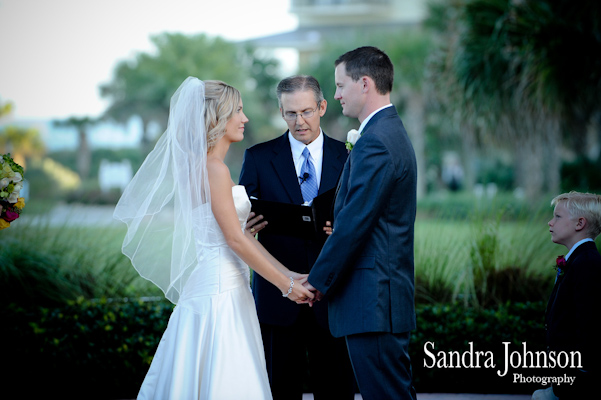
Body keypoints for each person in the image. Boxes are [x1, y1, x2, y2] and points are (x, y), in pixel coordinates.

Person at [114, 77, 314, 400]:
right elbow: (235, 240)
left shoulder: (204, 167)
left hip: (222, 284)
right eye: (238, 110)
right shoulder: (214, 170)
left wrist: (290, 274)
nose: (245, 118)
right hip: (220, 294)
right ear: (217, 117)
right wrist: (286, 286)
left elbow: (240, 236)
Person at [304, 46, 418, 400]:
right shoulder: (386, 134)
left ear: (364, 83)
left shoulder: (377, 143)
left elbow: (354, 224)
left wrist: (317, 281)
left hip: (373, 301)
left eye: (340, 85)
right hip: (379, 300)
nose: (335, 95)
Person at [239, 75, 355, 400]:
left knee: (337, 392)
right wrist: (247, 223)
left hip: (333, 297)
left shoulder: (349, 157)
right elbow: (240, 227)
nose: (299, 121)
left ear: (321, 107)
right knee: (279, 391)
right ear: (280, 111)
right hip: (279, 298)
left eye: (306, 111)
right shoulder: (258, 158)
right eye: (290, 113)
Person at [532, 191, 601, 400]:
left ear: (580, 223)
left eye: (557, 217)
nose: (550, 223)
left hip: (575, 384)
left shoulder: (587, 264)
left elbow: (589, 327)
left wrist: (577, 377)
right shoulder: (578, 261)